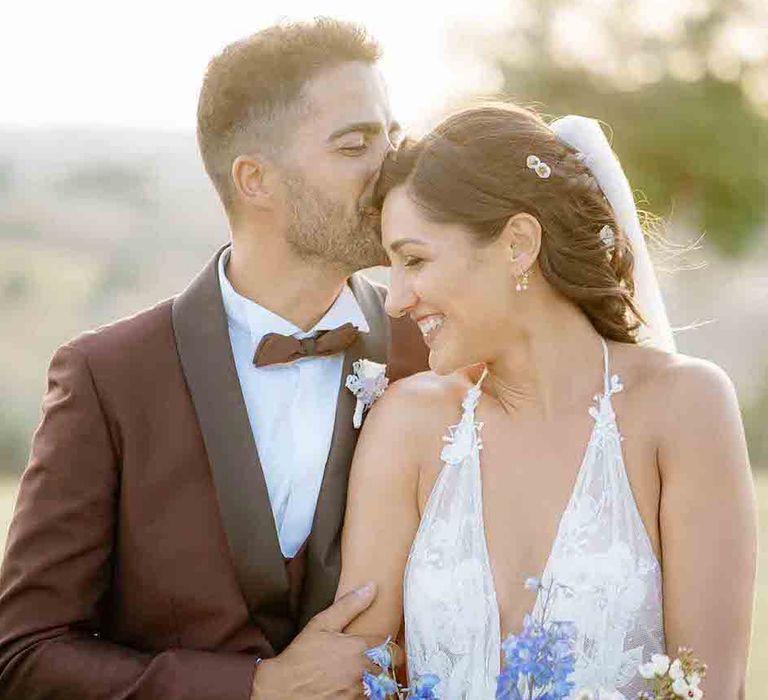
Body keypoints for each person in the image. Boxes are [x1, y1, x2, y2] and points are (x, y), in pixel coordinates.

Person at [0, 18, 428, 700]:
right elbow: (26, 655)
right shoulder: (107, 378)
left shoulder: (440, 354)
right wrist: (253, 687)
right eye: (355, 146)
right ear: (255, 180)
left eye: (394, 139)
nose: (395, 169)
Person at [336, 104, 757, 698]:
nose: (397, 300)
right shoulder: (405, 425)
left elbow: (711, 687)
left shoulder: (684, 408)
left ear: (518, 244)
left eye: (415, 260)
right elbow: (354, 673)